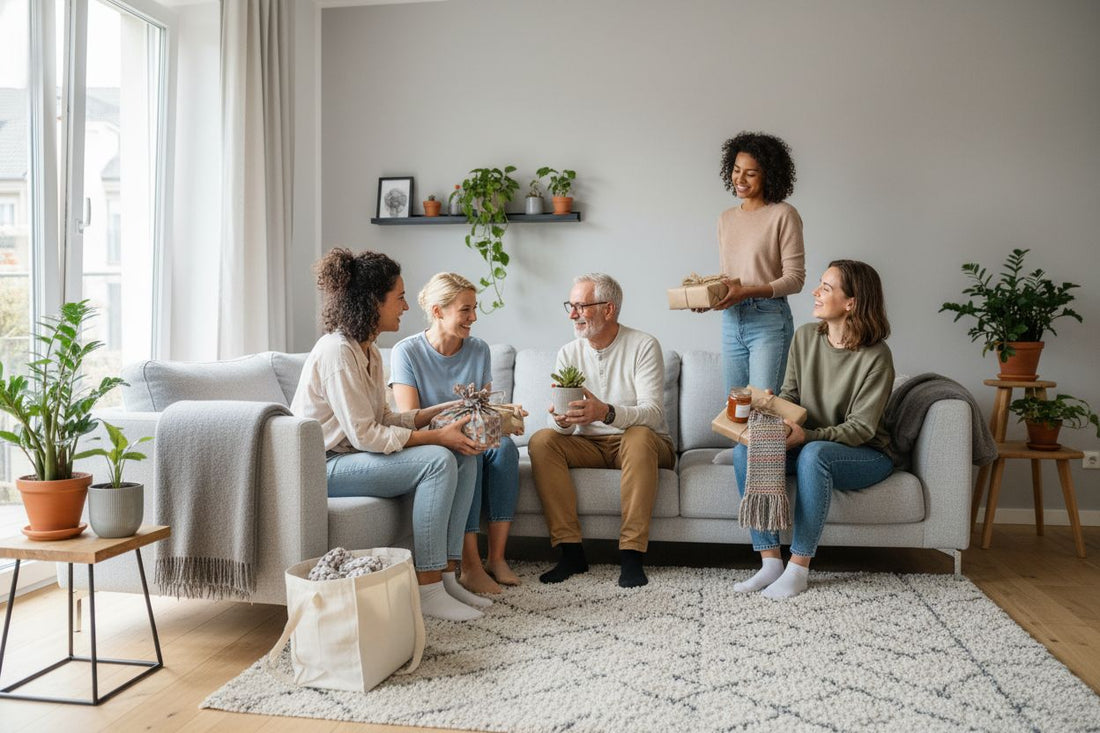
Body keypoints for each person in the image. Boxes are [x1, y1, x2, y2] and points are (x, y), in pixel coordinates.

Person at [290, 248, 487, 621]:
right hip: (327, 466)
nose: (406, 307)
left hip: (351, 457)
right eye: (398, 298)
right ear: (372, 302)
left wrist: (433, 414)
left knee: (465, 452)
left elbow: (382, 417)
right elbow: (366, 435)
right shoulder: (336, 352)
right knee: (439, 460)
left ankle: (446, 575)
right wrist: (436, 437)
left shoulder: (368, 350)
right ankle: (427, 586)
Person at [732, 259, 895, 599]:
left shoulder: (876, 356)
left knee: (814, 454)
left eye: (826, 287)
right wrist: (775, 408)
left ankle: (799, 568)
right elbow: (792, 396)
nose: (815, 292)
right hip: (809, 442)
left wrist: (810, 437)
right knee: (744, 448)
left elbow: (862, 428)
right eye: (819, 284)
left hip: (865, 454)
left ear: (851, 302)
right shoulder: (806, 337)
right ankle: (770, 562)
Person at [528, 273, 676, 588]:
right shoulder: (569, 352)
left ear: (608, 310)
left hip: (646, 444)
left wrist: (605, 412)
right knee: (542, 441)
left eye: (581, 306)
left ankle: (632, 554)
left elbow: (652, 413)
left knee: (637, 436)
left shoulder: (643, 345)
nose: (572, 314)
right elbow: (562, 428)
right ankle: (571, 553)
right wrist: (561, 421)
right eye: (571, 305)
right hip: (588, 445)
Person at [391, 272, 524, 596]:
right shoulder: (406, 352)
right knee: (470, 450)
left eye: (474, 308)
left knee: (505, 449)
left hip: (469, 432)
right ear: (438, 311)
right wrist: (465, 426)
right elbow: (411, 419)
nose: (473, 318)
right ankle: (470, 566)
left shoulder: (478, 350)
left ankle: (496, 558)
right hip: (435, 441)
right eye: (466, 310)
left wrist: (506, 416)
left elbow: (484, 408)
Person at [710, 131, 806, 395]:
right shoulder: (726, 218)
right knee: (736, 411)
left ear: (768, 175)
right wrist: (708, 299)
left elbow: (795, 279)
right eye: (736, 170)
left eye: (750, 173)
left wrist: (748, 291)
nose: (740, 179)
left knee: (764, 410)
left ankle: (770, 439)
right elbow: (728, 277)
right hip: (732, 318)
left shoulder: (783, 215)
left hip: (769, 319)